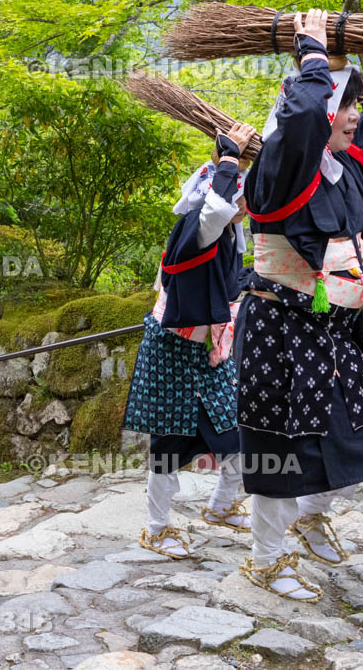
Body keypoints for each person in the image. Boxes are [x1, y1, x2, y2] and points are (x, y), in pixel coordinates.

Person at [237, 10, 363, 601]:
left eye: (351, 108)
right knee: (280, 449)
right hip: (280, 331)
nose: (353, 119)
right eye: (342, 110)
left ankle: (313, 517)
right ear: (316, 117)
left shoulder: (348, 165)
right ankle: (268, 558)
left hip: (338, 330)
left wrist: (362, 85)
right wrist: (313, 57)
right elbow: (296, 123)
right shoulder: (278, 174)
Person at [123, 124, 257, 558]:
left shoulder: (229, 235)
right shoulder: (193, 231)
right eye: (240, 197)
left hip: (211, 351)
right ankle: (157, 528)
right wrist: (228, 161)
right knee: (169, 444)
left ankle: (221, 506)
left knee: (238, 429)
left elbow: (232, 276)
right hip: (171, 350)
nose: (244, 208)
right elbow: (215, 211)